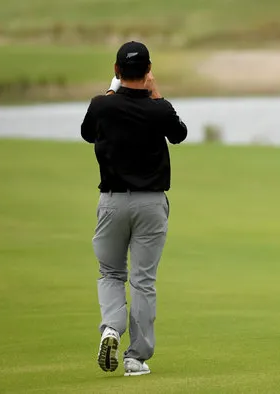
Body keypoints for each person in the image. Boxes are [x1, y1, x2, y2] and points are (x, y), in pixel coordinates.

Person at [80, 41, 187, 376]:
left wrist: (110, 94)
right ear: (149, 69)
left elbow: (86, 133)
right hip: (151, 204)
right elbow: (179, 134)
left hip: (112, 201)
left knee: (111, 272)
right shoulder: (160, 109)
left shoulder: (102, 106)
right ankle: (135, 358)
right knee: (142, 280)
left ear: (116, 70)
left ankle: (111, 328)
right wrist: (156, 95)